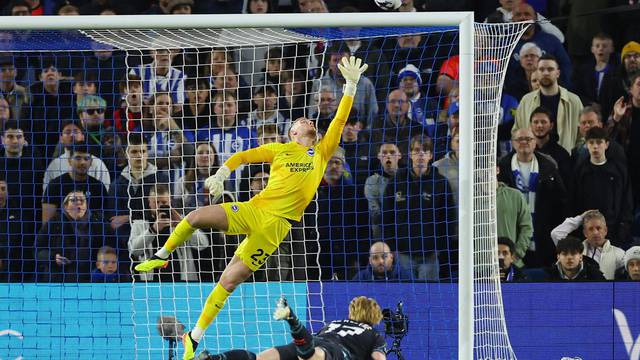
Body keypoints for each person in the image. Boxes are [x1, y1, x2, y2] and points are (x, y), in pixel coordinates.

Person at [134, 56, 368, 359]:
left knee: (229, 280)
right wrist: (220, 174)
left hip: (275, 228)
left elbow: (338, 120)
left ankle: (193, 336)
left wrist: (350, 85)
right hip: (252, 210)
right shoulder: (278, 150)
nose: (307, 121)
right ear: (292, 134)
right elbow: (242, 157)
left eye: (308, 121)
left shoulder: (321, 152)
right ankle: (161, 256)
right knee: (194, 217)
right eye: (300, 122)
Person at [201, 296, 387, 360]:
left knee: (258, 358)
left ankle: (215, 358)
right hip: (335, 352)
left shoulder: (335, 323)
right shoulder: (374, 334)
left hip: (312, 341)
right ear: (374, 316)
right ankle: (292, 319)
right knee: (311, 356)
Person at [498, 128, 567, 267]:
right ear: (513, 143)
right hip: (511, 239)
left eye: (528, 139)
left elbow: (561, 202)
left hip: (543, 237)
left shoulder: (548, 167)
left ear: (535, 142)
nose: (524, 142)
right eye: (519, 139)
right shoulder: (503, 168)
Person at [129, 183, 209, 282]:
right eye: (156, 202)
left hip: (182, 282)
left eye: (163, 202)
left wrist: (183, 226)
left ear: (170, 201)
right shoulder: (139, 224)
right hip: (150, 282)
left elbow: (203, 244)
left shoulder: (182, 221)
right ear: (149, 203)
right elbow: (133, 251)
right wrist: (153, 230)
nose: (159, 206)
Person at [570, 127, 633, 247]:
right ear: (586, 144)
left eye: (599, 142)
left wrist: (623, 228)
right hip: (586, 234)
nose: (595, 146)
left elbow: (627, 202)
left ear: (607, 144)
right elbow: (574, 202)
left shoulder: (618, 171)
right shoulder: (580, 171)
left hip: (614, 233)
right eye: (591, 142)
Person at [513, 54, 583, 153]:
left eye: (550, 69)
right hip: (533, 160)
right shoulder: (526, 101)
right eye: (541, 69)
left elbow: (582, 135)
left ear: (558, 73)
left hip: (565, 160)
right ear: (537, 73)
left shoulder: (573, 101)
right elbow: (517, 131)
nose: (545, 73)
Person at [550, 209, 625, 280]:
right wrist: (580, 218)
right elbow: (556, 234)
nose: (595, 233)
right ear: (585, 233)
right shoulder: (575, 251)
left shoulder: (619, 254)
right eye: (591, 229)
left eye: (598, 228)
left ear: (605, 230)